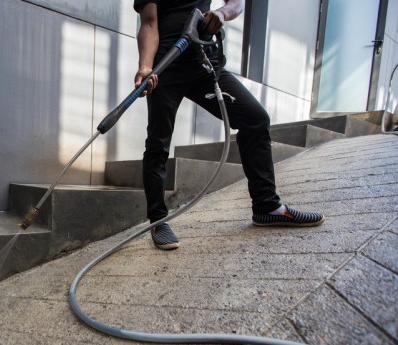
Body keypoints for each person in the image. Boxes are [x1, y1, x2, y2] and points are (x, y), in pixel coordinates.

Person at [133, 0, 325, 250]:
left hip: (204, 62)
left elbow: (236, 3)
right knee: (158, 143)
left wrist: (221, 14)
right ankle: (158, 221)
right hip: (166, 65)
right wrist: (145, 66)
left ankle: (267, 206)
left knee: (255, 119)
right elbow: (149, 22)